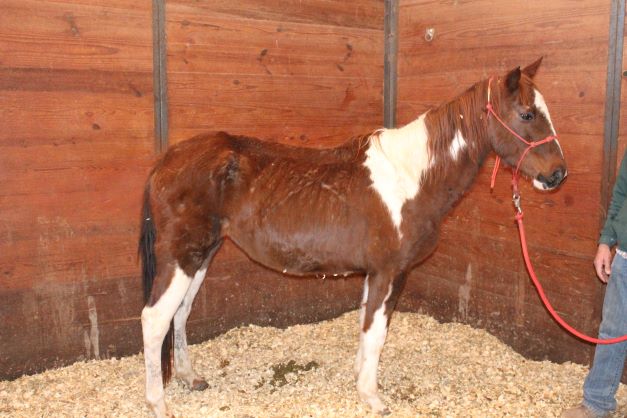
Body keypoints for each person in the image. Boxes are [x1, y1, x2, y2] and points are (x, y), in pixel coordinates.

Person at [562, 151, 627, 418]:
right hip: (625, 257)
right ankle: (597, 402)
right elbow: (621, 194)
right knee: (611, 330)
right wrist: (606, 240)